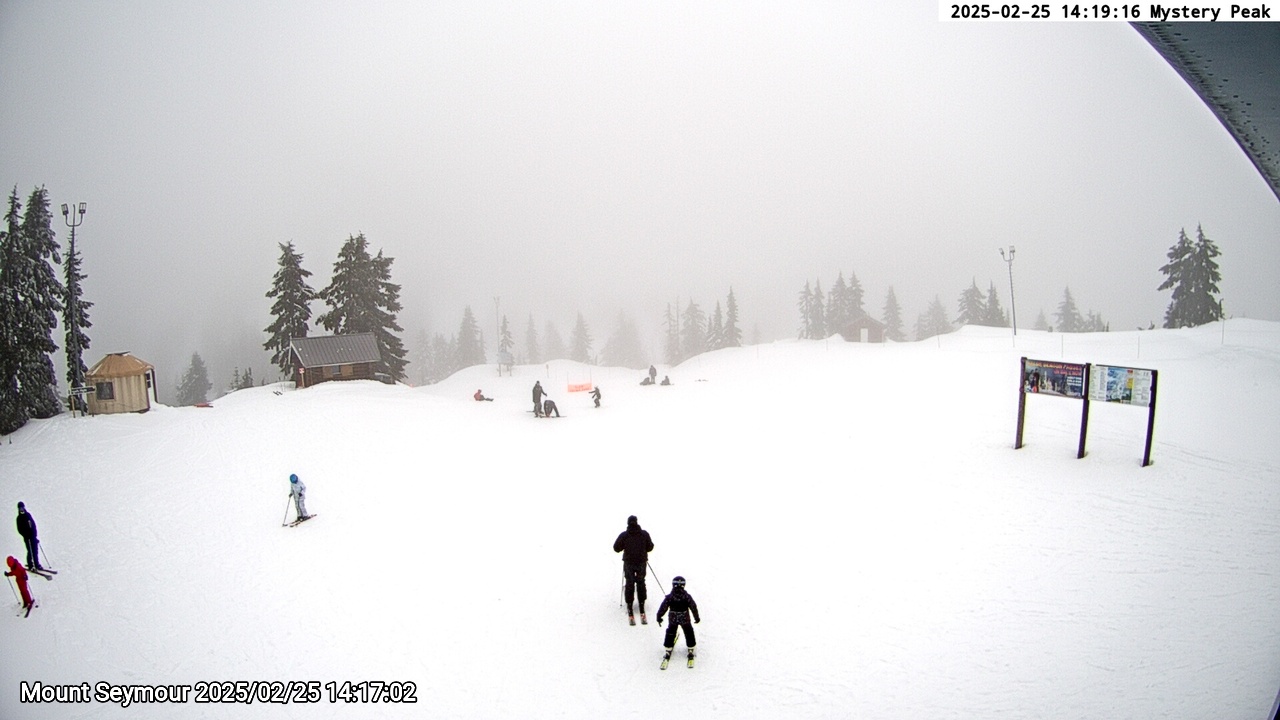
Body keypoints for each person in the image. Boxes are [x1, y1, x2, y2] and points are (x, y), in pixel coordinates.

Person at [612, 515, 654, 624]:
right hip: (641, 563)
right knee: (641, 582)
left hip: (629, 563)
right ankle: (641, 604)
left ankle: (629, 605)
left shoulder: (624, 535)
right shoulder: (644, 534)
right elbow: (650, 547)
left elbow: (616, 548)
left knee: (629, 583)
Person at [657, 575, 700, 663]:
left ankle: (668, 649)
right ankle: (691, 648)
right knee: (689, 632)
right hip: (685, 618)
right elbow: (693, 607)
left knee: (671, 632)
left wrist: (659, 616)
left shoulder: (669, 597)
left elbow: (663, 607)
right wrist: (696, 617)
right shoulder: (687, 596)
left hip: (673, 619)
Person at [15, 502, 42, 571]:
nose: (21, 509)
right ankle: (30, 565)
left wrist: (35, 534)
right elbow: (19, 529)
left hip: (32, 536)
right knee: (30, 551)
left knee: (35, 550)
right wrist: (25, 535)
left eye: (22, 507)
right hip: (27, 537)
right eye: (20, 508)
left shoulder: (28, 515)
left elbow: (33, 525)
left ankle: (37, 564)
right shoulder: (19, 518)